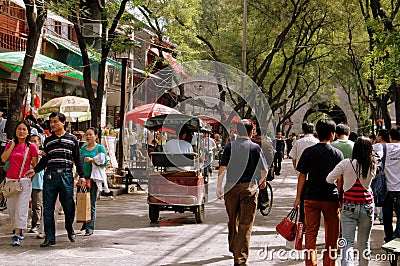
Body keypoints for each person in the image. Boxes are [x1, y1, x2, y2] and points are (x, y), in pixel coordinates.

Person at [26, 112, 84, 247]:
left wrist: (82, 176)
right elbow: (45, 159)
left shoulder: (73, 139)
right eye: (51, 121)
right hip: (50, 176)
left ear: (63, 123)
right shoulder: (48, 140)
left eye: (55, 121)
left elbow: (78, 158)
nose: (52, 124)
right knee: (48, 208)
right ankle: (50, 237)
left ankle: (70, 229)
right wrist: (35, 170)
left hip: (66, 176)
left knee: (69, 206)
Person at [217, 119, 268, 266]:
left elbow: (222, 168)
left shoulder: (229, 146)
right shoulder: (255, 148)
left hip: (231, 187)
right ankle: (240, 259)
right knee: (245, 224)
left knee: (233, 220)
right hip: (249, 188)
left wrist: (219, 187)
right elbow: (264, 170)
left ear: (237, 131)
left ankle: (234, 247)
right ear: (251, 132)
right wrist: (258, 183)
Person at [293, 119, 343, 266]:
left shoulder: (309, 152)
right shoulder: (337, 154)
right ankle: (329, 263)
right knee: (332, 235)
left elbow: (302, 176)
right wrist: (340, 197)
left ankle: (311, 263)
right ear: (332, 134)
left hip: (311, 197)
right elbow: (339, 179)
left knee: (311, 233)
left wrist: (298, 198)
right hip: (331, 198)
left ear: (317, 134)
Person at [326, 137, 376, 265]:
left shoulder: (346, 163)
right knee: (364, 243)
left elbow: (329, 179)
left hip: (349, 206)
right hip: (367, 206)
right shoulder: (372, 164)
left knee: (347, 241)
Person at [1, 120, 38, 246]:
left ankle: (17, 233)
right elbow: (4, 158)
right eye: (19, 129)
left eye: (24, 129)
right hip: (10, 180)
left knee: (21, 207)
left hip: (24, 180)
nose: (21, 132)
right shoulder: (10, 144)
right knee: (11, 208)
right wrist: (12, 145)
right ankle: (19, 226)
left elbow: (35, 164)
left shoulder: (31, 146)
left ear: (28, 132)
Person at [289, 122, 319, 224]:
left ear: (303, 130)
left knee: (302, 199)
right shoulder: (317, 142)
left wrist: (297, 170)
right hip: (315, 177)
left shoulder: (298, 142)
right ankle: (312, 222)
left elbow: (293, 158)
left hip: (302, 175)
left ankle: (303, 221)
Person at [80, 127, 108, 236]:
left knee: (91, 203)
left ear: (96, 136)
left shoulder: (100, 148)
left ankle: (90, 227)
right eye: (86, 134)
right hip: (83, 178)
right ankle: (85, 222)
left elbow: (104, 163)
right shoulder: (82, 149)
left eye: (90, 134)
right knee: (81, 201)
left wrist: (92, 160)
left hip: (94, 179)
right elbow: (79, 163)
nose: (88, 137)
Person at [380, 127, 400, 243]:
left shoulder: (384, 148)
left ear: (390, 137)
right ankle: (397, 237)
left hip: (387, 189)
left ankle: (388, 238)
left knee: (387, 217)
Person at [29, 134, 45, 234]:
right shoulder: (26, 153)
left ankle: (36, 223)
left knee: (37, 205)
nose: (33, 143)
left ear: (40, 143)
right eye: (31, 141)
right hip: (26, 182)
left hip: (38, 183)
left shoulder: (42, 155)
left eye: (35, 141)